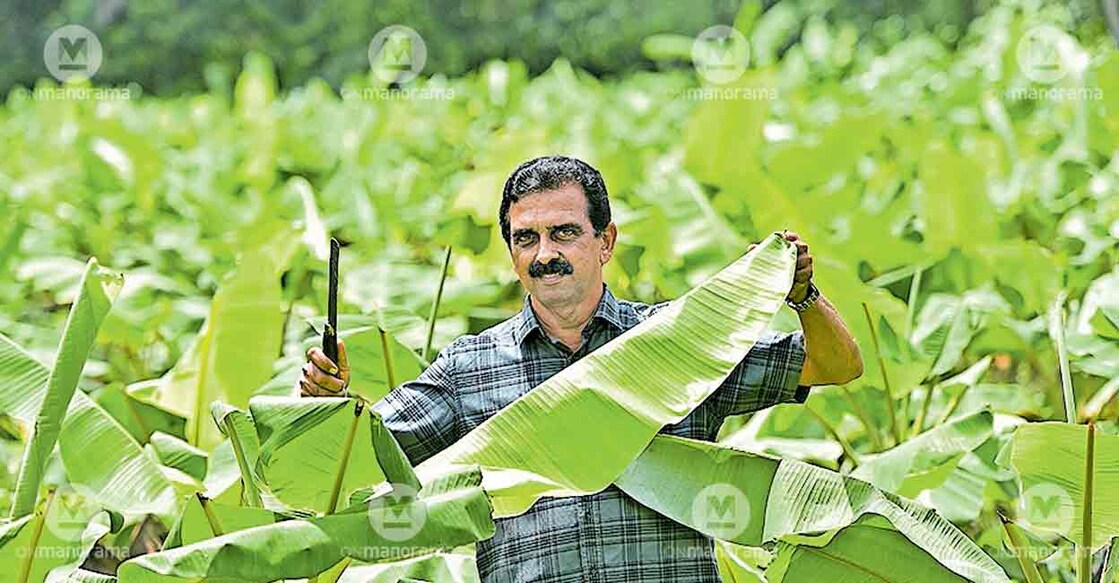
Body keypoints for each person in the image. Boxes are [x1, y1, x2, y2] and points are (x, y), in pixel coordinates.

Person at [299, 155, 863, 582]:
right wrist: (329, 401)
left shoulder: (679, 340)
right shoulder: (468, 368)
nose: (545, 253)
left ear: (605, 241)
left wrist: (803, 296)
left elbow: (835, 365)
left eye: (565, 232)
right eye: (527, 238)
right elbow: (362, 460)